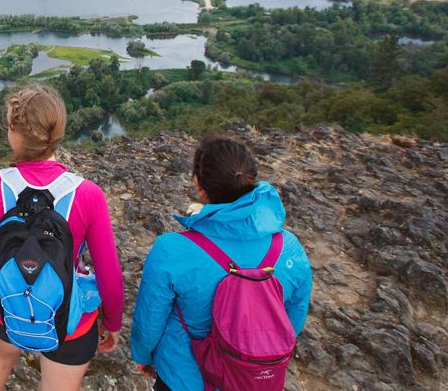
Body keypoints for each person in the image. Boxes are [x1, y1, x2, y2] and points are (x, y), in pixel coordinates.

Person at [0, 84, 125, 391]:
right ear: (58, 132)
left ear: (12, 131)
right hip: (69, 318)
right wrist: (113, 322)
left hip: (7, 305)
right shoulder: (88, 194)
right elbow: (109, 272)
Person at [128, 136, 313, 391]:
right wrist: (258, 360)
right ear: (252, 179)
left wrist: (144, 356)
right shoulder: (290, 248)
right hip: (253, 378)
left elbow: (149, 320)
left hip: (184, 377)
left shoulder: (171, 249)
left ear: (198, 184)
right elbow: (293, 317)